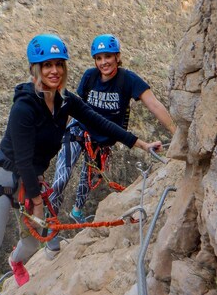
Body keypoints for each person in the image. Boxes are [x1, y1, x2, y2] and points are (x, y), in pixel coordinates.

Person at [0, 33, 163, 295]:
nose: (54, 70)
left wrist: (142, 144)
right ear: (35, 70)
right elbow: (21, 158)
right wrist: (36, 199)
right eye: (46, 65)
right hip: (4, 176)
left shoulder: (66, 100)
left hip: (30, 178)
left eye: (58, 64)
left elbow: (100, 121)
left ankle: (17, 261)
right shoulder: (24, 106)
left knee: (42, 237)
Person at [46, 33, 176, 256]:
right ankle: (51, 229)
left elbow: (153, 104)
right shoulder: (89, 77)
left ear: (117, 57)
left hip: (104, 139)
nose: (103, 62)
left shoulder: (128, 80)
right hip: (79, 131)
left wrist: (176, 132)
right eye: (99, 58)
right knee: (61, 178)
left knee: (89, 180)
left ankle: (77, 211)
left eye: (108, 56)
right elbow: (74, 107)